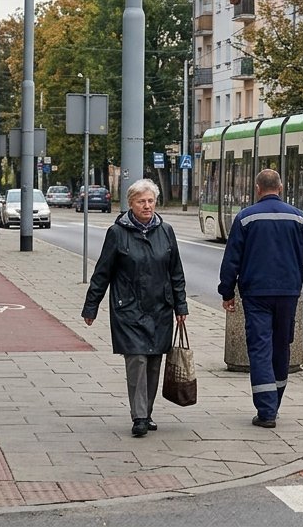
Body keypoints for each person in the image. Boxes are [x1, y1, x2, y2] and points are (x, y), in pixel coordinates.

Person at [82, 179, 187, 438]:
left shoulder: (166, 231)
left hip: (160, 307)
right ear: (130, 204)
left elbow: (176, 272)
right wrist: (91, 306)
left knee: (153, 362)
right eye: (142, 201)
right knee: (137, 360)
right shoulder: (117, 233)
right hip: (128, 308)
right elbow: (102, 272)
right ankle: (139, 416)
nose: (147, 206)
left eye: (151, 201)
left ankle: (147, 412)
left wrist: (181, 306)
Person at [218, 169, 303, 429]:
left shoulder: (245, 218)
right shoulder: (298, 217)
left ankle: (266, 411)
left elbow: (232, 260)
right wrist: (290, 262)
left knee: (260, 348)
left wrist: (227, 292)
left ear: (257, 188)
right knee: (281, 346)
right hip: (288, 292)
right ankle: (276, 400)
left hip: (256, 294)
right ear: (281, 187)